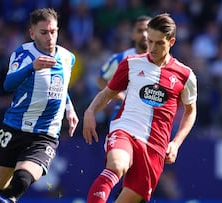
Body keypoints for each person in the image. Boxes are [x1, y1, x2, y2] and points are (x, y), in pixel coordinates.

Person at [83, 13, 197, 203]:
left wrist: (175, 143)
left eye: (159, 43)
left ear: (172, 42)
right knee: (116, 165)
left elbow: (190, 111)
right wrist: (90, 111)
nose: (152, 47)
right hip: (126, 128)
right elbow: (108, 92)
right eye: (150, 41)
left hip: (156, 145)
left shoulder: (186, 75)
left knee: (133, 196)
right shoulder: (131, 63)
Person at [0, 8, 79, 203]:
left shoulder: (67, 57)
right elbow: (8, 84)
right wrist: (32, 68)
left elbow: (61, 88)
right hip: (15, 127)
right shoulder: (23, 54)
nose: (49, 37)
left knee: (21, 181)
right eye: (44, 32)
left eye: (53, 31)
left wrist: (69, 108)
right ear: (32, 33)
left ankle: (16, 183)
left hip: (46, 133)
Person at [97, 15, 151, 121]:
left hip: (150, 116)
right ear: (133, 35)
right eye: (140, 31)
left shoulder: (162, 60)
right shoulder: (121, 58)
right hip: (124, 114)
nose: (144, 34)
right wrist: (117, 95)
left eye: (148, 30)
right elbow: (101, 79)